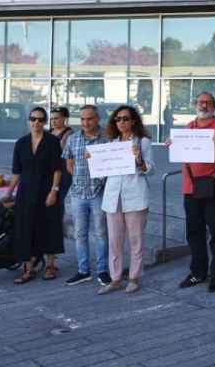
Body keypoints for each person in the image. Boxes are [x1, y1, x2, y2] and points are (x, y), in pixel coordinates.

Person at [170, 91, 215, 293]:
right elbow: (182, 152)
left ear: (214, 106)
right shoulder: (189, 127)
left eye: (208, 103)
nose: (204, 105)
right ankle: (198, 272)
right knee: (194, 232)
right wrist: (172, 145)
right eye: (200, 102)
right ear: (195, 104)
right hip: (190, 187)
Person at [97, 105, 153, 295]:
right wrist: (93, 160)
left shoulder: (143, 142)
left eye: (125, 118)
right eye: (118, 119)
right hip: (113, 197)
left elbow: (150, 170)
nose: (121, 122)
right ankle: (115, 279)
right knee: (114, 240)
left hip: (135, 195)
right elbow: (103, 170)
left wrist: (139, 160)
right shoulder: (112, 143)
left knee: (135, 239)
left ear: (134, 121)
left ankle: (134, 277)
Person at [5, 107, 64, 284]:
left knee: (49, 226)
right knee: (26, 228)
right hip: (26, 193)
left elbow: (57, 170)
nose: (36, 122)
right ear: (28, 121)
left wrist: (54, 191)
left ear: (45, 122)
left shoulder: (52, 141)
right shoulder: (21, 143)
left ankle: (50, 265)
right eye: (33, 119)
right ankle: (28, 268)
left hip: (47, 190)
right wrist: (9, 193)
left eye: (40, 119)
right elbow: (17, 172)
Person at [61, 105, 111, 286]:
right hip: (77, 194)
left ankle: (103, 271)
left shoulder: (107, 139)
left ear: (97, 119)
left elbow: (113, 164)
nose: (85, 122)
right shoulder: (72, 139)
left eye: (89, 119)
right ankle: (83, 271)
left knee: (101, 234)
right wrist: (77, 177)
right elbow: (68, 164)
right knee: (80, 234)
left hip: (99, 192)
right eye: (82, 119)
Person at [49, 106, 74, 200]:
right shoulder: (50, 131)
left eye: (56, 118)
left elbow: (67, 154)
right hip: (50, 171)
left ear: (64, 118)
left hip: (63, 172)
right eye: (51, 119)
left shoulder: (69, 134)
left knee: (59, 199)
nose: (53, 121)